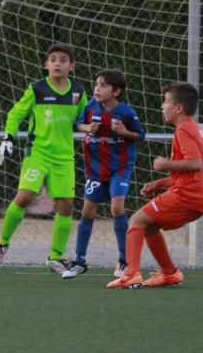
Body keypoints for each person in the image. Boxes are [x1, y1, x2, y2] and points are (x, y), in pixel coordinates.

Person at [0, 43, 87, 274]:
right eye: (53, 59)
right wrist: (8, 137)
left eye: (62, 60)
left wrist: (89, 127)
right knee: (25, 197)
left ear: (71, 66)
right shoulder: (37, 89)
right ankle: (2, 242)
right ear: (46, 64)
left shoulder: (78, 92)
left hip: (64, 157)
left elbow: (82, 118)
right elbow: (16, 112)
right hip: (38, 154)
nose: (57, 63)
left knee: (66, 206)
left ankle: (55, 257)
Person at [108, 82, 203, 289]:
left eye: (166, 102)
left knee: (137, 220)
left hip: (187, 196)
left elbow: (195, 164)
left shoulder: (183, 131)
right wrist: (160, 183)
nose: (162, 106)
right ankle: (169, 273)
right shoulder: (196, 129)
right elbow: (195, 172)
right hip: (198, 195)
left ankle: (131, 274)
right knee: (150, 226)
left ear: (179, 108)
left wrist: (164, 164)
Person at [62, 70, 146, 279]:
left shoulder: (126, 112)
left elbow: (140, 135)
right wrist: (88, 127)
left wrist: (124, 133)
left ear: (116, 91)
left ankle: (124, 261)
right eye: (96, 84)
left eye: (103, 85)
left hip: (120, 168)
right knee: (87, 212)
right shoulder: (91, 106)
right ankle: (80, 261)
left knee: (117, 209)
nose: (97, 88)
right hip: (96, 169)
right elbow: (79, 124)